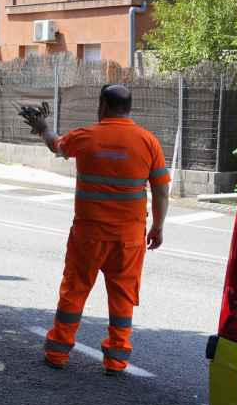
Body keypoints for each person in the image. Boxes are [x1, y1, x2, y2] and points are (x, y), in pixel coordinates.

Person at [20, 85, 170, 375]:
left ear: (102, 104)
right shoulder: (148, 141)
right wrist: (158, 226)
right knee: (123, 296)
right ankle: (116, 360)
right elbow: (161, 191)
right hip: (128, 239)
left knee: (74, 290)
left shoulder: (85, 137)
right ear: (129, 107)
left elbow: (56, 145)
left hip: (88, 236)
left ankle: (58, 352)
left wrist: (42, 127)